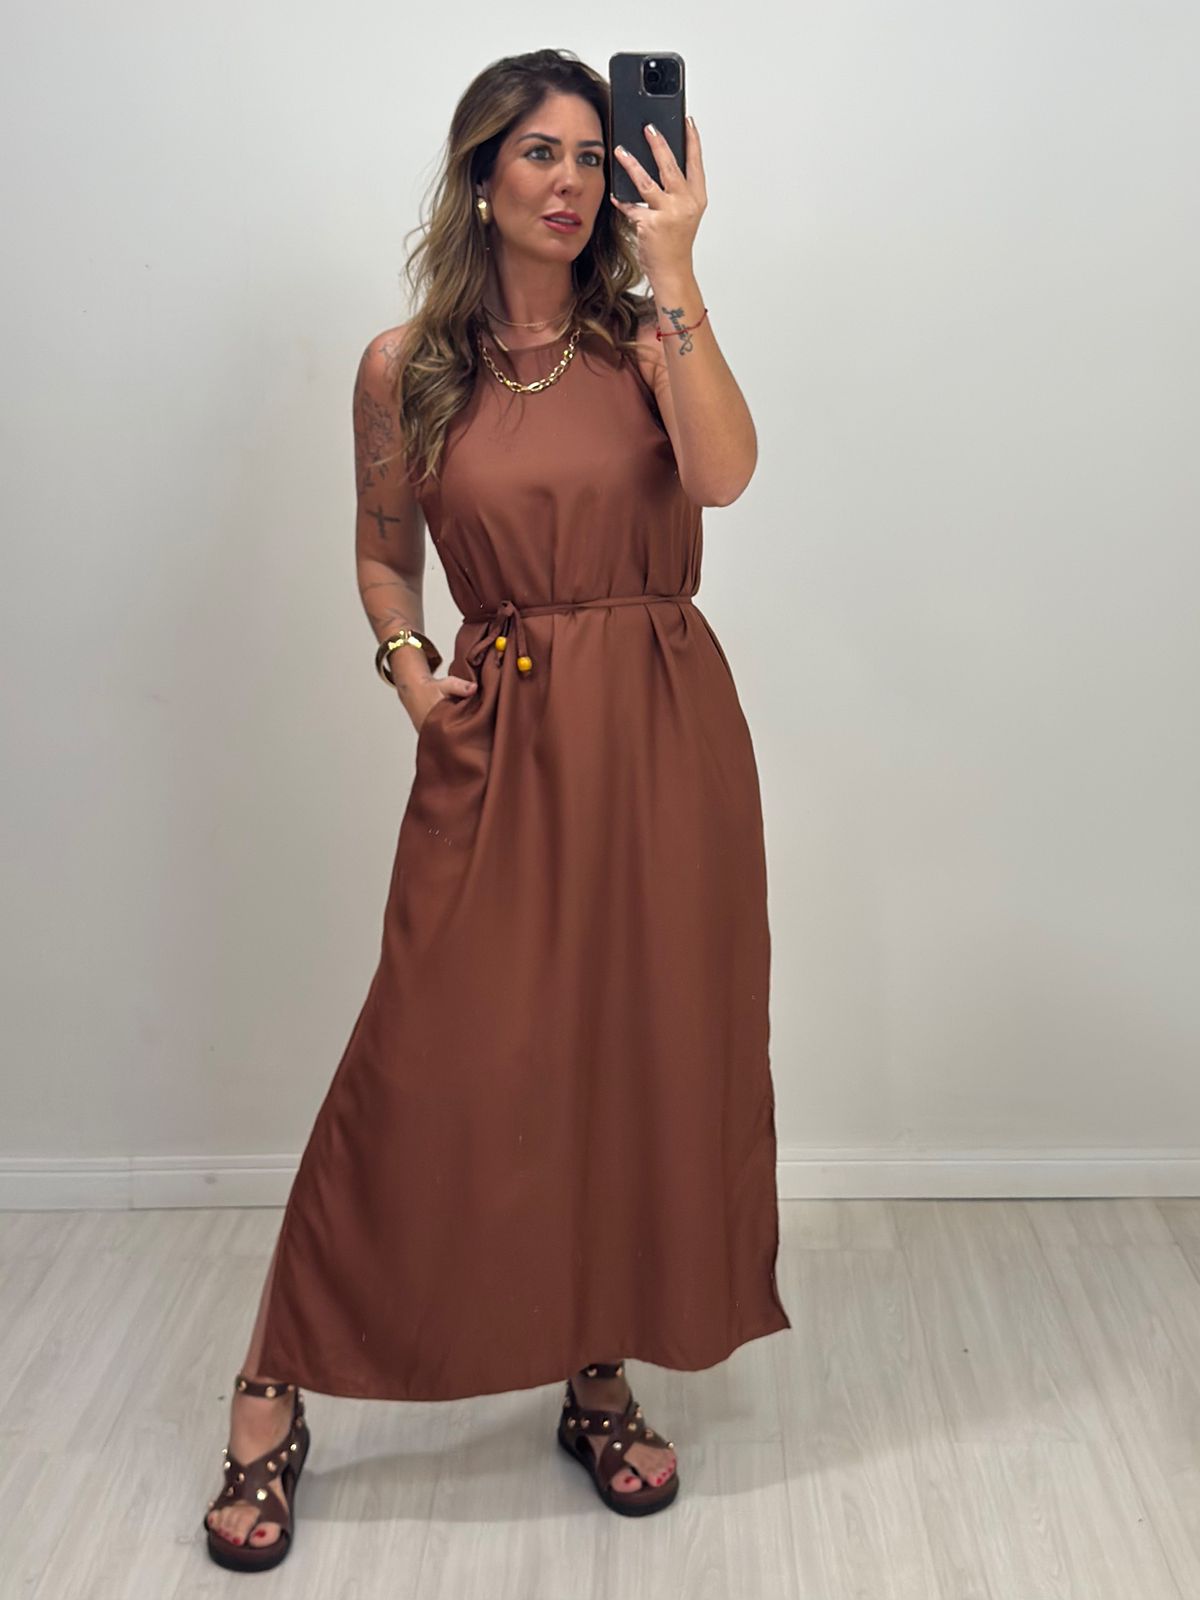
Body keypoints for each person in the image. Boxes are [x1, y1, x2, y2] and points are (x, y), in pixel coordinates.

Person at [202, 47, 791, 1572]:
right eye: (541, 152)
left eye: (595, 155)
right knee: (428, 1056)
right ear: (481, 175)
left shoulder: (648, 335)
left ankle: (596, 1369)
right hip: (502, 738)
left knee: (630, 1054)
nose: (572, 181)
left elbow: (726, 477)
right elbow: (381, 550)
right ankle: (275, 1375)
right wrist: (412, 677)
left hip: (663, 737)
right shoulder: (408, 366)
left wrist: (679, 268)